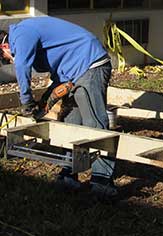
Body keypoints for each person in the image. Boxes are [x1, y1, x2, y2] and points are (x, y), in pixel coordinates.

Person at [0, 16, 117, 198]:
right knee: (70, 123)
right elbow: (60, 64)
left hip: (90, 64)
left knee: (94, 123)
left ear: (4, 47)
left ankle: (102, 181)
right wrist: (46, 101)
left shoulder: (21, 34)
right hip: (72, 70)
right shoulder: (26, 32)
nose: (10, 61)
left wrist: (26, 101)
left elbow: (23, 66)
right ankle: (69, 172)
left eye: (6, 59)